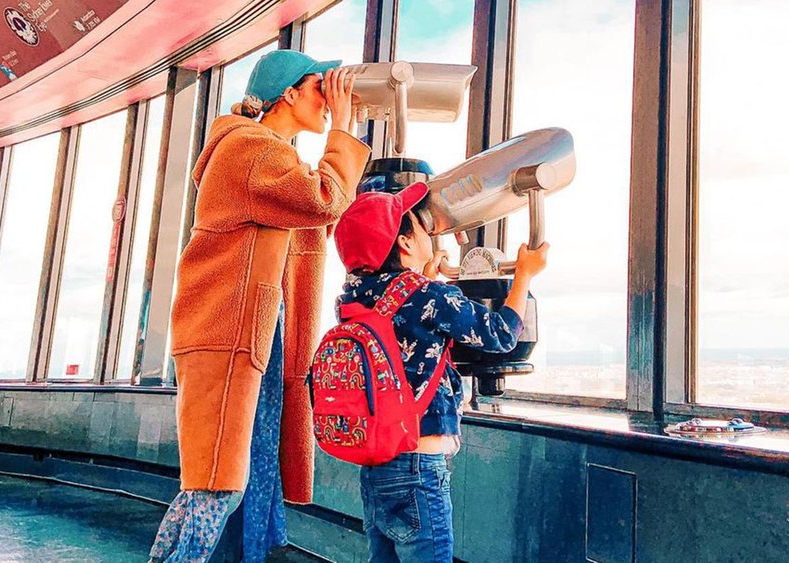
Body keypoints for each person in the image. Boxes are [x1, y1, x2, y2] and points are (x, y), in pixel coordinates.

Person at [149, 49, 371, 562]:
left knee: (218, 484)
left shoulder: (268, 154)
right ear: (288, 94)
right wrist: (343, 129)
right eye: (319, 87)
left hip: (243, 332)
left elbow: (315, 216)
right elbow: (322, 199)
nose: (327, 99)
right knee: (218, 485)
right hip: (228, 333)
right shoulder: (250, 148)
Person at [331, 183, 549, 561]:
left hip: (375, 466)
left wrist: (426, 280)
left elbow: (402, 330)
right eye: (421, 224)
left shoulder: (351, 299)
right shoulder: (427, 295)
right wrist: (524, 275)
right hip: (419, 466)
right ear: (405, 243)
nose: (429, 231)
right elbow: (499, 334)